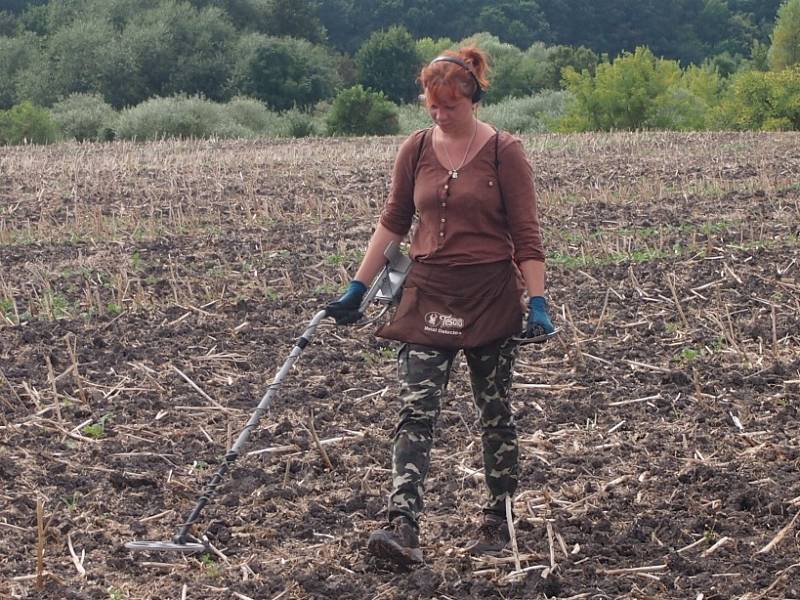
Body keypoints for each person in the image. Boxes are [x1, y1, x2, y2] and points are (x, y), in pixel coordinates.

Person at [325, 46, 554, 567]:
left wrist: (537, 301)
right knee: (415, 412)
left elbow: (527, 236)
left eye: (448, 106)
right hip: (427, 291)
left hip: (490, 293)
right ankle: (401, 525)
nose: (439, 115)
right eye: (432, 106)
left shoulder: (504, 151)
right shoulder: (416, 149)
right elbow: (393, 221)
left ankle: (500, 519)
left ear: (471, 97)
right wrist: (357, 289)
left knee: (494, 412)